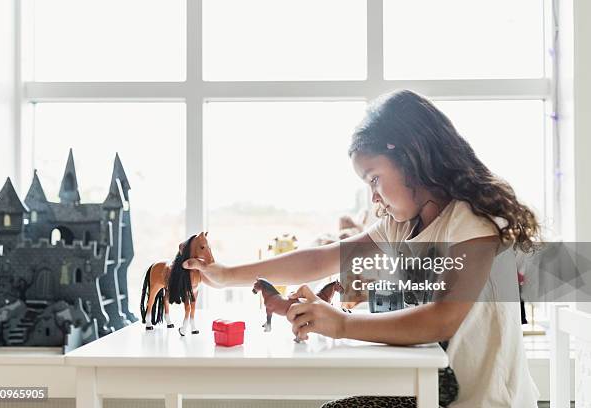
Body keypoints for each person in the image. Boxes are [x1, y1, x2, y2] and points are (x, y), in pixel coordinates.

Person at [183, 90, 541, 407]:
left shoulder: (472, 222)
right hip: (436, 393)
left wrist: (341, 324)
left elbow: (442, 318)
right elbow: (322, 259)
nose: (373, 196)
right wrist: (226, 275)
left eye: (374, 179)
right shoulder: (402, 225)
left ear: (411, 158)